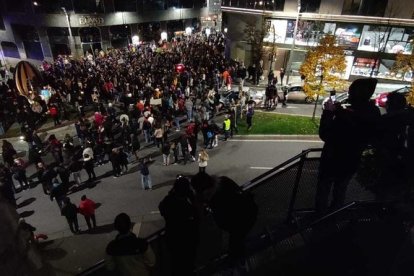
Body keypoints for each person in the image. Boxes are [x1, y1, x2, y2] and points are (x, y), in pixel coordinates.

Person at [315, 78, 381, 214]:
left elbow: (326, 134)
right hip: (351, 161)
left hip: (332, 159)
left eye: (351, 91)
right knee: (340, 190)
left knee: (324, 190)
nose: (349, 94)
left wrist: (328, 113)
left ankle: (320, 219)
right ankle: (334, 216)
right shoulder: (373, 113)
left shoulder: (347, 116)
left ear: (358, 93)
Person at [195, 175, 257, 265]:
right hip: (249, 209)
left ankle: (238, 262)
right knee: (236, 241)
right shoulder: (223, 180)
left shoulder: (216, 199)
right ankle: (238, 259)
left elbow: (221, 221)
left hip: (240, 220)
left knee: (236, 243)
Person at [159, 177, 199, 276]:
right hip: (188, 239)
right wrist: (193, 198)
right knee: (188, 263)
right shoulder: (187, 207)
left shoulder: (169, 201)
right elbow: (198, 216)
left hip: (172, 236)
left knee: (175, 262)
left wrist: (171, 193)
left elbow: (161, 208)